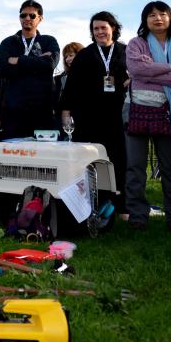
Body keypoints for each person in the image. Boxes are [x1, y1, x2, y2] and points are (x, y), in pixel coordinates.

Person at [124, 1, 171, 235]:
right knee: (135, 168)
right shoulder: (137, 43)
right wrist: (170, 68)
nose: (158, 18)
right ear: (145, 20)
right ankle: (137, 216)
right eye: (152, 15)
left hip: (170, 114)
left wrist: (152, 72)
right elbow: (135, 70)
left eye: (162, 14)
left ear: (170, 17)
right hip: (138, 111)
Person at [59, 12, 128, 215]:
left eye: (103, 27)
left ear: (113, 28)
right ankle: (89, 204)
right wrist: (65, 112)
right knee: (88, 161)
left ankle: (120, 205)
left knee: (118, 160)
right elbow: (71, 86)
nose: (99, 32)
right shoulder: (85, 54)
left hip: (117, 115)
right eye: (95, 28)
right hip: (88, 116)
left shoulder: (125, 51)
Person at [0, 0, 60, 138]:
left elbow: (50, 64)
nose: (27, 19)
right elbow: (1, 68)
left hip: (42, 111)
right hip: (14, 111)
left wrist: (18, 60)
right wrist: (38, 63)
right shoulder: (8, 42)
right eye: (23, 15)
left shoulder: (49, 41)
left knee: (43, 156)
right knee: (15, 156)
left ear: (40, 19)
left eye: (32, 15)